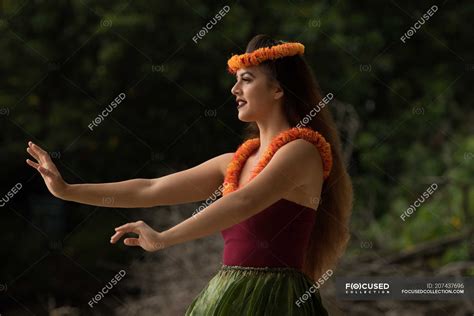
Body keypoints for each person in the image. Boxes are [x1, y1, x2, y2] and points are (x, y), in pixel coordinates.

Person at [26, 34, 353, 315]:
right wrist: (67, 190)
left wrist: (165, 237)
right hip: (226, 290)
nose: (234, 89)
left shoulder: (302, 150)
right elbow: (150, 189)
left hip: (279, 299)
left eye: (247, 79)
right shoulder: (235, 162)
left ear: (278, 89)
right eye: (236, 79)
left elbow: (245, 201)